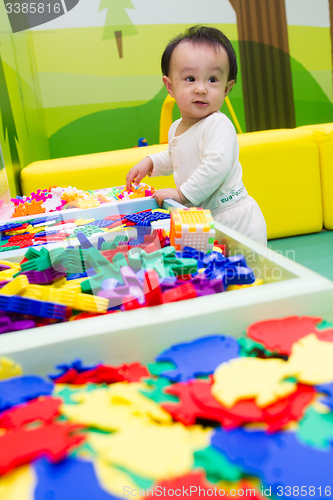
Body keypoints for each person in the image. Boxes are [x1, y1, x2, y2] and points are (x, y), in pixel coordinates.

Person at [126, 25, 267, 246]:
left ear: (227, 88)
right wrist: (151, 162)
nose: (201, 89)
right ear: (170, 86)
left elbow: (216, 166)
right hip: (205, 218)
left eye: (212, 80)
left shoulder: (217, 125)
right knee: (214, 276)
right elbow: (177, 155)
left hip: (233, 218)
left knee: (248, 274)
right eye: (190, 79)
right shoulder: (177, 127)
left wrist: (182, 195)